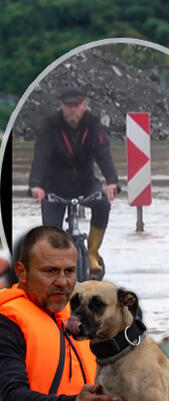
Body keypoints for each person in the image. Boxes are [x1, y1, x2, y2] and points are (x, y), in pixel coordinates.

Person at [0, 226, 169, 401]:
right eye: (50, 271)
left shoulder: (84, 318)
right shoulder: (7, 324)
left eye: (69, 271)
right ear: (21, 273)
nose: (62, 282)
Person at [28, 88, 119, 280]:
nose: (71, 111)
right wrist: (36, 185)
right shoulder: (50, 125)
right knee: (51, 232)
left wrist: (112, 181)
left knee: (103, 204)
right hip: (55, 185)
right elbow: (41, 156)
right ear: (61, 107)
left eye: (75, 106)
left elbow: (103, 153)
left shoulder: (93, 124)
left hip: (85, 182)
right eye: (67, 106)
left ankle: (93, 253)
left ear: (84, 106)